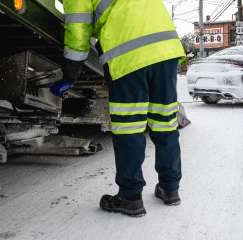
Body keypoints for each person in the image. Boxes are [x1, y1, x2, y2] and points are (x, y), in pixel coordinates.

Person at [50, 0, 186, 217]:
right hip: (166, 51)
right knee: (165, 122)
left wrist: (70, 73)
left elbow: (77, 27)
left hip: (128, 55)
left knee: (129, 128)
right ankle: (170, 189)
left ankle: (130, 197)